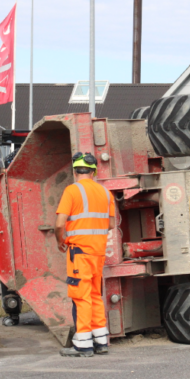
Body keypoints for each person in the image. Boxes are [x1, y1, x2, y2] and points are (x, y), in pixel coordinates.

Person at [55, 152, 115, 357]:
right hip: (98, 253)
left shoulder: (72, 191)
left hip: (78, 252)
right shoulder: (106, 193)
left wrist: (59, 241)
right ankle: (100, 342)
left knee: (81, 297)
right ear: (94, 171)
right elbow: (113, 224)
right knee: (95, 295)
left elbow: (59, 224)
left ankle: (83, 344)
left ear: (74, 170)